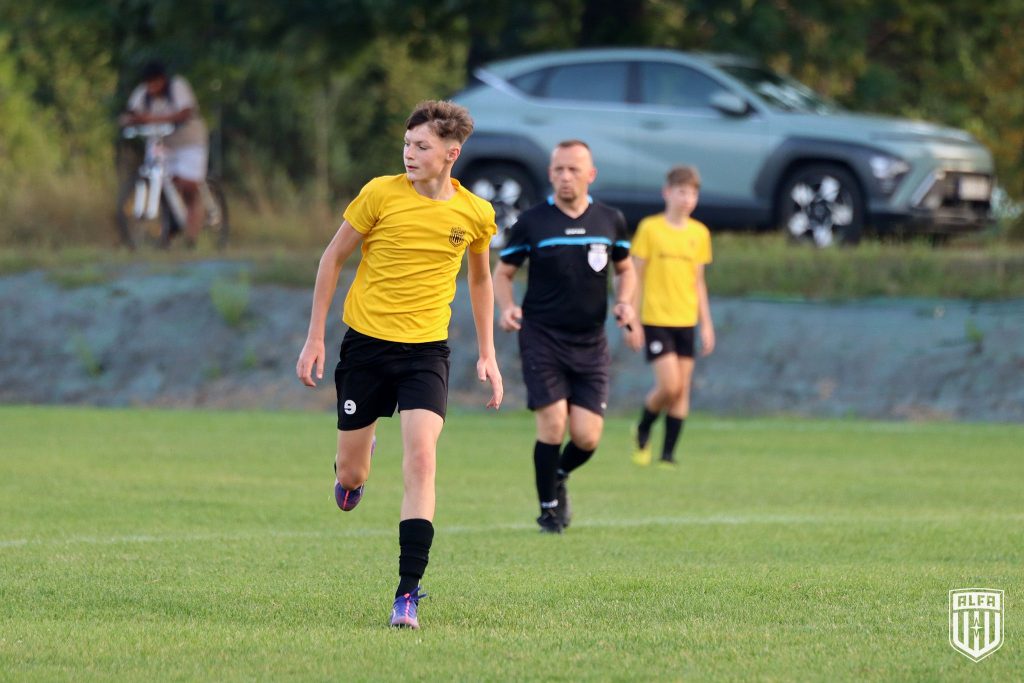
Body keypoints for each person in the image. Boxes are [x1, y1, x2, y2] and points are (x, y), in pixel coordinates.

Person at [295, 100, 503, 630]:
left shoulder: (475, 213)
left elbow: (480, 280)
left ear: (451, 154)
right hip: (365, 347)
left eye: (421, 146)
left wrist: (488, 352)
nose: (409, 154)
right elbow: (332, 258)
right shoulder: (379, 194)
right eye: (407, 144)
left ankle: (407, 593)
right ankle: (355, 462)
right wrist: (315, 337)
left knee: (422, 460)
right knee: (351, 476)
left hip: (426, 354)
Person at [494, 140, 636, 534]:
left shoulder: (610, 220)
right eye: (558, 169)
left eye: (574, 169)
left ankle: (558, 474)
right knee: (553, 424)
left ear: (591, 175)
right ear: (550, 174)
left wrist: (625, 302)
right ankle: (549, 511)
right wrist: (507, 307)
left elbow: (626, 269)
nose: (565, 176)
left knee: (587, 437)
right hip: (541, 337)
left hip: (591, 342)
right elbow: (503, 273)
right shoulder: (532, 222)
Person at [626, 165, 715, 467]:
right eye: (682, 192)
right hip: (656, 319)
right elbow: (635, 276)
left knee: (681, 391)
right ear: (667, 193)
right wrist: (632, 320)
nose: (687, 199)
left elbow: (698, 282)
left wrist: (707, 324)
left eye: (692, 194)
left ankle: (667, 457)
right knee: (670, 385)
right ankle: (643, 427)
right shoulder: (650, 229)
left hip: (686, 320)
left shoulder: (700, 233)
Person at [122, 60, 208, 246]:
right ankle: (169, 226)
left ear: (163, 79)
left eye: (155, 82)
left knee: (188, 186)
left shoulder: (177, 87)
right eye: (148, 83)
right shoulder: (142, 93)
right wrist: (129, 121)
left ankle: (191, 236)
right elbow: (130, 114)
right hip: (161, 143)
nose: (152, 87)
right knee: (158, 181)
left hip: (189, 143)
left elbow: (185, 113)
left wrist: (150, 119)